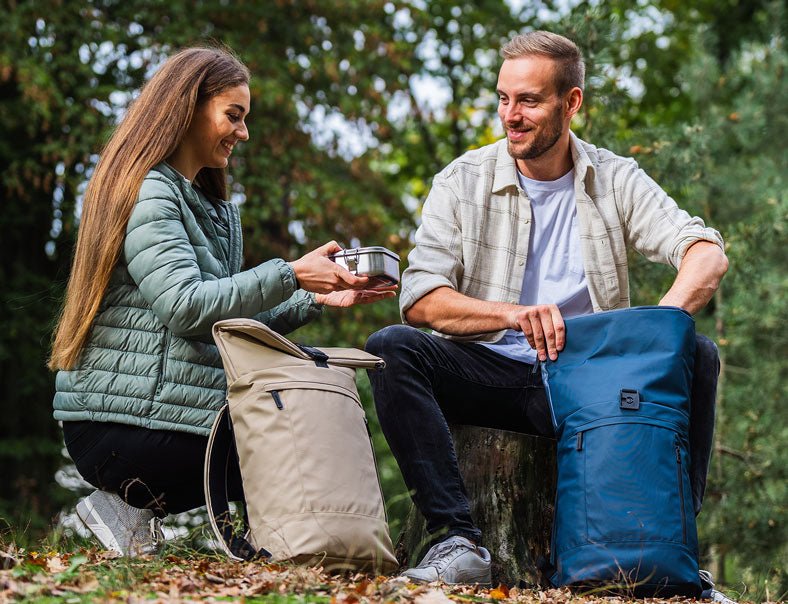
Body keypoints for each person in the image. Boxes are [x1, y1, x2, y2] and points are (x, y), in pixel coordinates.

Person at [365, 30, 731, 594]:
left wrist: (645, 340)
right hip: (496, 373)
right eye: (504, 98)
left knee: (696, 352)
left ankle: (671, 545)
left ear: (572, 103)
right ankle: (456, 543)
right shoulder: (462, 182)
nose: (511, 115)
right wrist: (511, 315)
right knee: (391, 348)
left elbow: (705, 254)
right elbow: (420, 297)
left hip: (592, 380)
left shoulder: (615, 178)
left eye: (529, 100)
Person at [48, 46, 395, 557]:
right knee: (283, 432)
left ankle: (133, 515)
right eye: (233, 115)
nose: (243, 132)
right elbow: (186, 307)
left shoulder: (204, 209)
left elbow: (226, 318)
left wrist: (315, 295)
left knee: (286, 424)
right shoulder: (150, 191)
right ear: (188, 107)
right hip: (120, 423)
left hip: (163, 413)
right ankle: (270, 551)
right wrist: (292, 272)